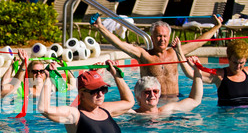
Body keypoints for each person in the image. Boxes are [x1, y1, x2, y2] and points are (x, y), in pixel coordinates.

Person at [92, 14, 223, 97]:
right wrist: (100, 27)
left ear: (169, 37)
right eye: (158, 36)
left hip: (175, 99)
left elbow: (199, 42)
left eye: (165, 36)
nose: (162, 39)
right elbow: (120, 44)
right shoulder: (144, 55)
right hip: (152, 102)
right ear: (152, 38)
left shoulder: (175, 53)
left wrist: (217, 26)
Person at [38, 60, 135, 133]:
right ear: (82, 94)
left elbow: (129, 102)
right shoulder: (74, 115)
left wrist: (116, 76)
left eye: (103, 89)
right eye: (95, 91)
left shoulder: (105, 109)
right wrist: (48, 78)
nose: (100, 94)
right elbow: (44, 109)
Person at [176, 39, 248, 107]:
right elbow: (191, 74)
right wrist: (178, 50)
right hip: (228, 117)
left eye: (241, 63)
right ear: (228, 59)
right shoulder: (219, 75)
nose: (238, 66)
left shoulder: (247, 72)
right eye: (235, 63)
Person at [1, 58, 76, 98]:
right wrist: (11, 66)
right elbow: (3, 86)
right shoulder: (25, 89)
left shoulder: (52, 87)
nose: (38, 74)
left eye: (41, 71)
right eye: (35, 72)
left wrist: (65, 67)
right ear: (29, 73)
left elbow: (72, 85)